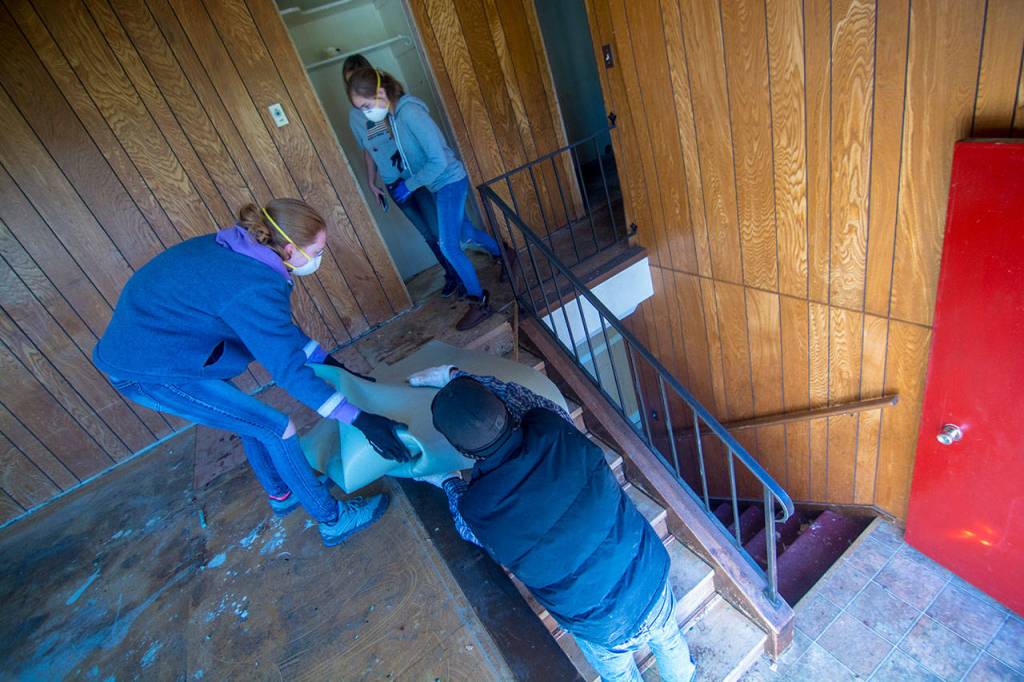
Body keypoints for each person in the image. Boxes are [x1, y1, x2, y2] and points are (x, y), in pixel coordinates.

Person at [93, 199, 411, 547]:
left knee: (250, 420)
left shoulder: (246, 251)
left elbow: (279, 335)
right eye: (317, 250)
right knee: (277, 428)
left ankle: (283, 493)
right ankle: (333, 520)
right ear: (289, 248)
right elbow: (288, 370)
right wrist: (362, 420)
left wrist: (333, 365)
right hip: (153, 371)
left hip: (170, 346)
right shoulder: (252, 286)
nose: (321, 257)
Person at [406, 365, 697, 682]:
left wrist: (449, 481)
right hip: (648, 575)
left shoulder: (477, 508)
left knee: (619, 676)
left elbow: (466, 527)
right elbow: (518, 395)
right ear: (504, 409)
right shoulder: (552, 423)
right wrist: (454, 375)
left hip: (598, 623)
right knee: (669, 641)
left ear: (461, 450)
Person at [347, 67, 503, 331]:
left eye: (365, 105)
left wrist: (409, 184)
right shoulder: (395, 116)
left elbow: (439, 160)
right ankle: (505, 254)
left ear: (381, 92)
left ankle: (479, 301)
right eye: (360, 109)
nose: (365, 113)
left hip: (449, 182)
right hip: (437, 184)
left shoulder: (410, 114)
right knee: (465, 231)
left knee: (449, 245)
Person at [342, 55, 463, 299]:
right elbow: (368, 150)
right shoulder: (355, 117)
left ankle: (462, 273)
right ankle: (451, 274)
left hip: (414, 176)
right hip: (392, 183)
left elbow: (408, 138)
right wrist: (371, 182)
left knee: (438, 230)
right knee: (426, 234)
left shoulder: (390, 106)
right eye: (350, 81)